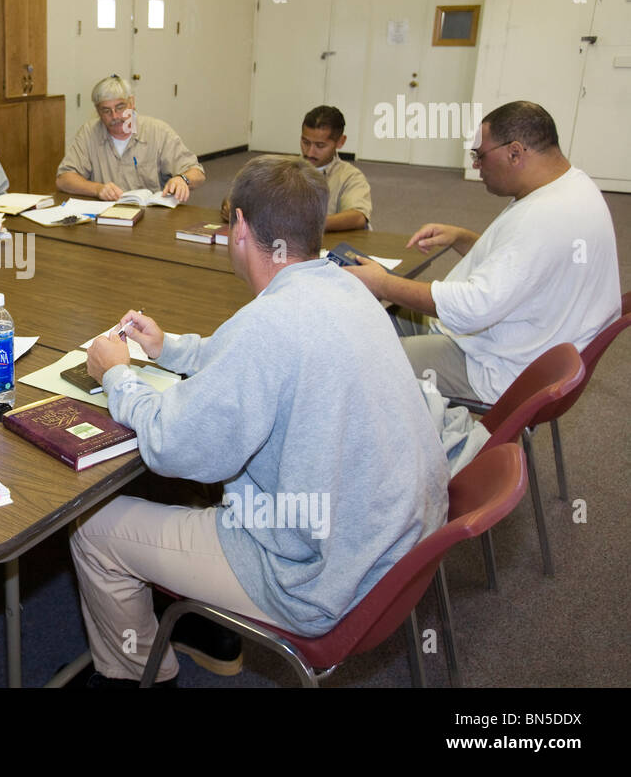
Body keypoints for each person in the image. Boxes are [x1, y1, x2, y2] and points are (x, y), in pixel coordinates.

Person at [72, 155, 448, 686]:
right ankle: (202, 628)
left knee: (94, 531)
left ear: (240, 226)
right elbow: (255, 360)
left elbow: (170, 445)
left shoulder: (268, 324)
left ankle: (138, 675)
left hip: (321, 578)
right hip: (394, 541)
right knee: (217, 478)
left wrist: (117, 377)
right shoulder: (346, 287)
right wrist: (167, 348)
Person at [345, 100, 620, 402]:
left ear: (514, 153)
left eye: (480, 155)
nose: (476, 165)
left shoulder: (543, 216)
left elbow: (472, 310)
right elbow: (523, 267)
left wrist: (382, 283)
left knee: (364, 360)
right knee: (380, 321)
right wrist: (462, 238)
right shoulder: (572, 187)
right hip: (529, 343)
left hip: (500, 368)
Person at [221, 106, 371, 231]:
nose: (309, 152)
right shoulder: (283, 167)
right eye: (305, 142)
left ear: (340, 142)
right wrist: (231, 205)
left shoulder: (350, 176)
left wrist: (303, 226)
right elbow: (241, 196)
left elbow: (358, 217)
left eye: (320, 146)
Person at [55, 75, 204, 202]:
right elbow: (63, 179)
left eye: (120, 107)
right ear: (97, 112)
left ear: (132, 103)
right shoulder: (89, 133)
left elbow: (197, 173)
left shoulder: (157, 131)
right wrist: (97, 189)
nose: (115, 116)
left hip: (152, 218)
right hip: (105, 215)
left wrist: (182, 179)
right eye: (106, 110)